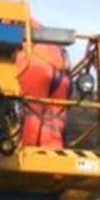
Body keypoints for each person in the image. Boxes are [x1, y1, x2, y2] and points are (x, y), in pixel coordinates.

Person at [15, 20, 71, 148]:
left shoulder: (11, 24)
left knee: (30, 112)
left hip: (32, 67)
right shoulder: (49, 37)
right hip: (61, 77)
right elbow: (68, 64)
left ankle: (28, 148)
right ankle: (52, 151)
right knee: (53, 119)